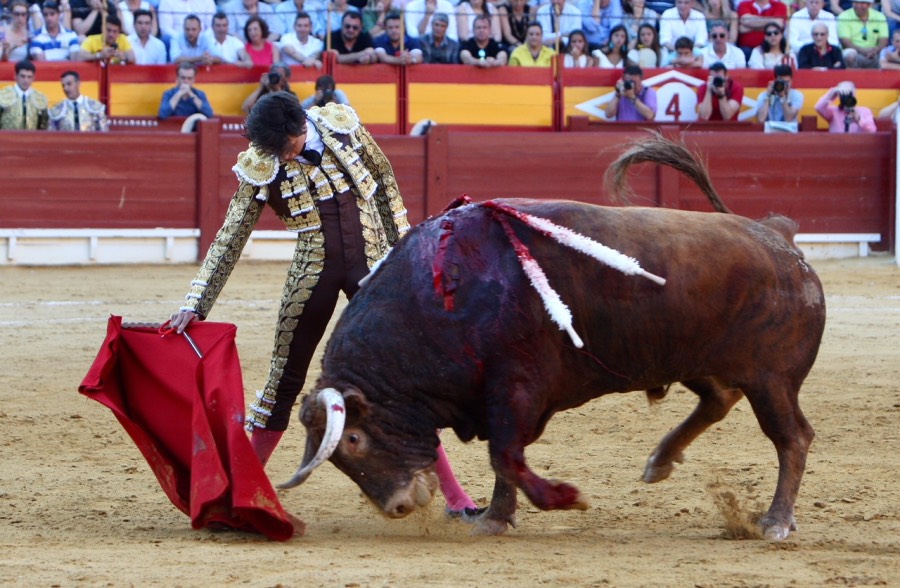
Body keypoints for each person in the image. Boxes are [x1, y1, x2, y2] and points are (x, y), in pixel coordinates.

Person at [167, 91, 483, 520]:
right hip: (312, 272)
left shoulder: (340, 125)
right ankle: (235, 493)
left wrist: (404, 257)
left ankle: (456, 498)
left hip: (372, 267)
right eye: (275, 152)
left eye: (289, 147)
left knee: (403, 381)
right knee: (283, 378)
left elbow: (386, 186)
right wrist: (196, 301)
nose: (284, 157)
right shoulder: (262, 162)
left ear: (302, 128)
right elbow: (230, 235)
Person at [837, 0, 888, 69]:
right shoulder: (844, 16)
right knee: (849, 54)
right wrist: (862, 50)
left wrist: (875, 50)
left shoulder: (879, 16)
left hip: (874, 53)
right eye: (856, 3)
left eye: (862, 3)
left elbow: (884, 40)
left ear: (869, 5)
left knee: (886, 54)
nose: (858, 6)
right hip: (855, 52)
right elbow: (845, 42)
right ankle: (851, 78)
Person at [0, 59, 49, 130]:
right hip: (6, 140)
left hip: (32, 140)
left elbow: (43, 126)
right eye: (22, 76)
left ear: (33, 78)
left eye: (29, 77)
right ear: (15, 76)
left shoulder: (40, 98)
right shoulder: (2, 95)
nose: (26, 80)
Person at [755, 64, 803, 131]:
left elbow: (788, 118)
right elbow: (761, 119)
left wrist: (782, 97)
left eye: (787, 82)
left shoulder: (796, 95)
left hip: (789, 132)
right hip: (769, 132)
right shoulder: (764, 95)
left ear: (792, 81)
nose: (785, 85)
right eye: (782, 82)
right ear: (775, 81)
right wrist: (768, 96)